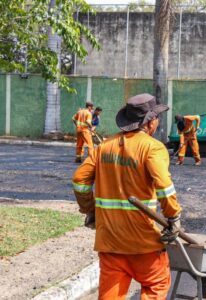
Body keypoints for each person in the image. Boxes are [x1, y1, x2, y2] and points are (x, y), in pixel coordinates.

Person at [72, 93, 182, 299]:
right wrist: (173, 216)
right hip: (143, 243)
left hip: (110, 241)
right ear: (150, 122)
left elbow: (79, 181)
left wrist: (90, 209)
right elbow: (164, 187)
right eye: (156, 117)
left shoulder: (103, 147)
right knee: (156, 286)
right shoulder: (152, 147)